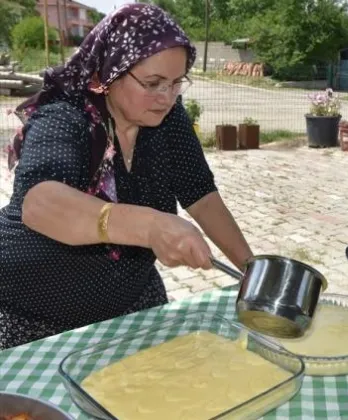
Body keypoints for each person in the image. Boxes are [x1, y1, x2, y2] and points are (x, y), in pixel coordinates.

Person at [0, 4, 252, 350]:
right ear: (110, 72)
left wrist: (253, 272)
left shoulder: (167, 119)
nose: (166, 97)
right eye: (152, 83)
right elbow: (40, 202)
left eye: (177, 82)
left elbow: (202, 196)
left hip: (132, 306)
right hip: (34, 319)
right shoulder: (65, 116)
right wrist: (149, 226)